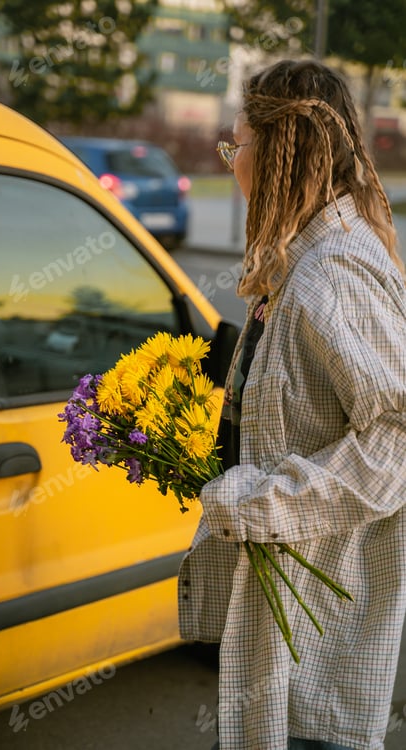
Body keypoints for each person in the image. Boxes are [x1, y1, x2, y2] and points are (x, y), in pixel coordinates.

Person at [178, 58, 406, 750]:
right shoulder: (302, 262)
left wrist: (260, 502)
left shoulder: (330, 272)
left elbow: (397, 438)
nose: (232, 160)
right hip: (290, 640)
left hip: (317, 651)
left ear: (280, 150)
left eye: (235, 145)